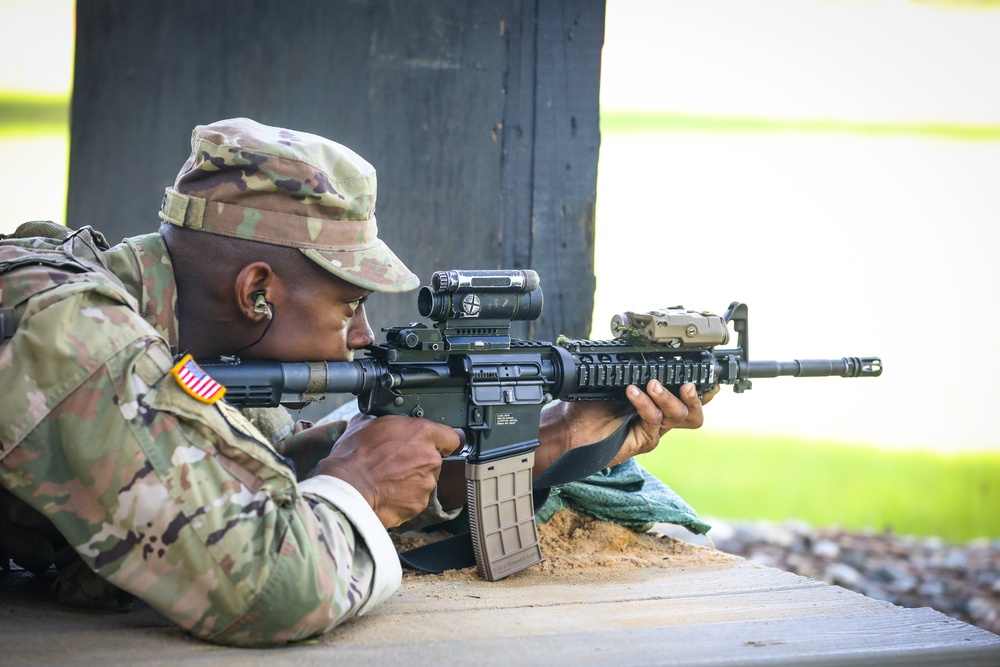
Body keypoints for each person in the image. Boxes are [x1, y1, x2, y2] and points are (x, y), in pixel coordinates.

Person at [0, 118, 712, 646]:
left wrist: (553, 437)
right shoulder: (78, 337)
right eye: (349, 304)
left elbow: (245, 480)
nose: (365, 334)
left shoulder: (172, 344)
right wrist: (361, 486)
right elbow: (269, 586)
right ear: (257, 292)